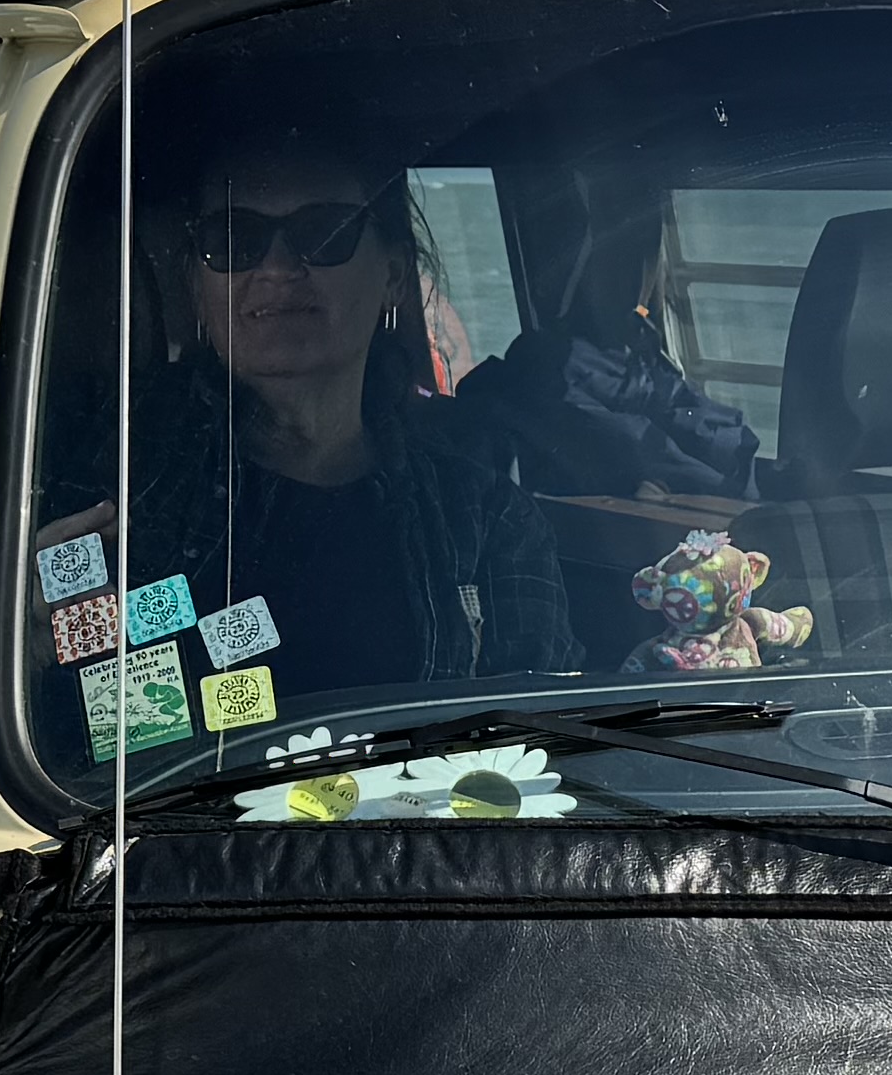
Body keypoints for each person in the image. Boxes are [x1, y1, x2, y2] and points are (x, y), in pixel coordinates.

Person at [108, 151, 575, 716]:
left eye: (323, 233)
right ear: (196, 282)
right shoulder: (102, 475)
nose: (277, 267)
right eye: (233, 239)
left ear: (394, 275)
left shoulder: (486, 519)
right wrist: (36, 652)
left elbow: (537, 736)